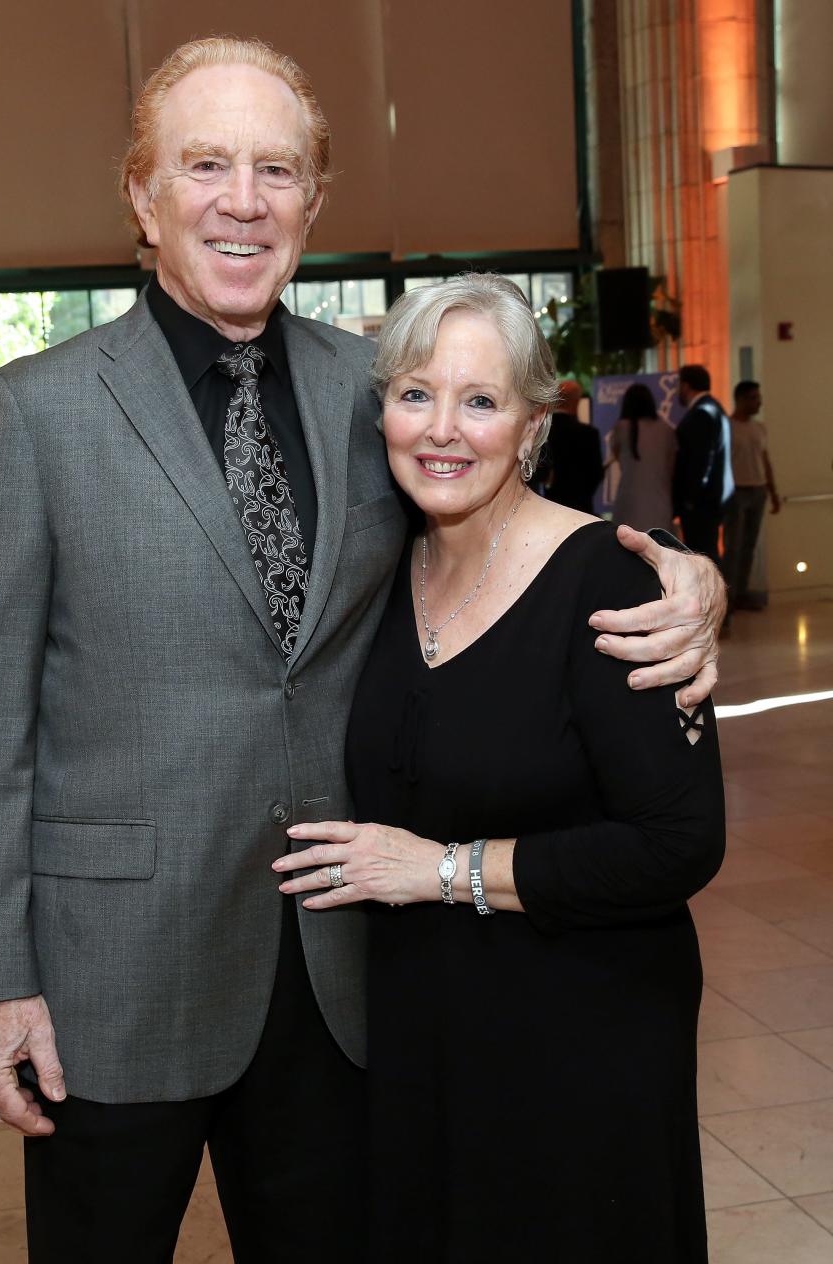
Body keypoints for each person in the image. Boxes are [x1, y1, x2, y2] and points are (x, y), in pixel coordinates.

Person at [0, 37, 725, 1264]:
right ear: (142, 195)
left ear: (314, 199)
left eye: (277, 170)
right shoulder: (36, 411)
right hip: (111, 985)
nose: (242, 201)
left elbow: (506, 509)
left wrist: (680, 567)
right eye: (205, 165)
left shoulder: (378, 391)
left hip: (341, 969)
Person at [276, 275, 725, 1263]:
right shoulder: (382, 570)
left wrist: (443, 869)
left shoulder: (608, 580)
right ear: (382, 410)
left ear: (532, 424)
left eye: (480, 401)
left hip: (582, 1029)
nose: (444, 428)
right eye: (416, 394)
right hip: (427, 1033)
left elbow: (679, 842)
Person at [723, 380, 780, 612]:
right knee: (733, 546)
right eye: (754, 398)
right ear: (741, 399)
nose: (759, 402)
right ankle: (727, 597)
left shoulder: (760, 428)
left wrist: (773, 490)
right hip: (736, 491)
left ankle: (742, 593)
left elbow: (765, 460)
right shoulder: (727, 426)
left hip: (758, 489)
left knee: (749, 545)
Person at [673, 363, 734, 559]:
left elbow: (700, 459)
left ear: (686, 385)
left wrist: (690, 497)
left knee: (702, 555)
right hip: (713, 498)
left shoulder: (700, 414)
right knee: (708, 552)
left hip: (700, 502)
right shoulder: (716, 409)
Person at [609, 381, 677, 532]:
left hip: (629, 500)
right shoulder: (666, 429)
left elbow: (618, 458)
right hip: (660, 501)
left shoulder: (621, 428)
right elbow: (671, 467)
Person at [535, 377, 604, 512]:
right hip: (582, 507)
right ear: (577, 402)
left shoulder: (541, 432)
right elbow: (596, 473)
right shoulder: (589, 434)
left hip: (549, 506)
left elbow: (539, 472)